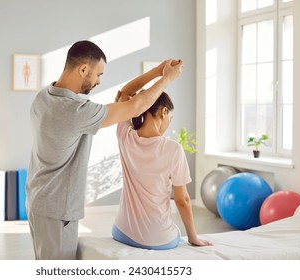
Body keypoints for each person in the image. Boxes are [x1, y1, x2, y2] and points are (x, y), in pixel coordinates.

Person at [26, 40, 183, 260]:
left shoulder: (44, 97)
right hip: (57, 209)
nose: (100, 81)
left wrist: (157, 71)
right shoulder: (75, 111)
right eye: (98, 74)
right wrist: (167, 78)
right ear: (83, 69)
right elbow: (135, 105)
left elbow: (126, 97)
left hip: (38, 200)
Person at [112, 74, 213, 250]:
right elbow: (182, 200)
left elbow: (125, 93)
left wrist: (159, 71)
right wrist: (193, 237)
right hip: (157, 238)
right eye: (170, 118)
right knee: (174, 233)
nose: (169, 123)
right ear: (163, 111)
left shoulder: (124, 135)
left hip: (122, 232)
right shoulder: (173, 150)